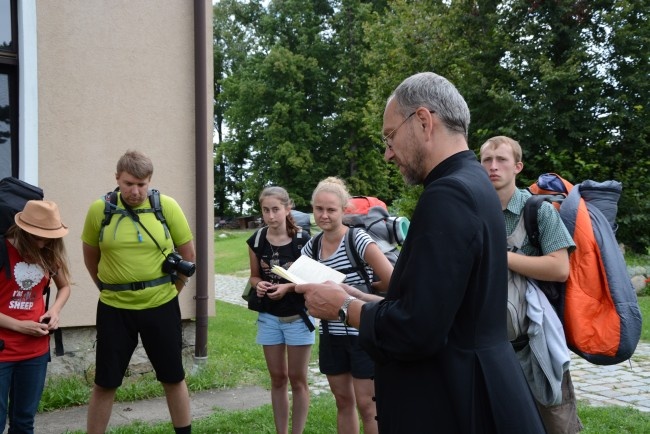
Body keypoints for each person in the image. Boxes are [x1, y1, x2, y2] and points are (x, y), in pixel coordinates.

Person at [295, 72, 546, 433]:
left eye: (390, 136)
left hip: (459, 401)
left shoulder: (448, 194)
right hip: (479, 386)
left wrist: (342, 307)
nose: (387, 153)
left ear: (424, 121)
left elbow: (419, 330)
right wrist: (364, 299)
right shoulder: (474, 181)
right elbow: (445, 307)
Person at [81, 150, 195, 434]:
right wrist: (108, 289)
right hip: (114, 308)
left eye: (142, 184)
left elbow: (188, 255)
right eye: (129, 183)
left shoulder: (166, 207)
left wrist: (172, 292)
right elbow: (90, 257)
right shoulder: (100, 210)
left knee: (173, 377)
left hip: (161, 306)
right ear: (117, 178)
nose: (135, 191)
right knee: (106, 382)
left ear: (150, 181)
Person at [480, 135, 582, 433]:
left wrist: (500, 257)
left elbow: (559, 268)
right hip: (490, 344)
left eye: (501, 160)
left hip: (535, 342)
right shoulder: (475, 212)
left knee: (556, 422)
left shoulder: (539, 210)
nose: (493, 167)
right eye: (487, 160)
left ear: (518, 167)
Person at [300, 176, 393, 434]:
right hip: (330, 334)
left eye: (331, 210)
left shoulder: (358, 239)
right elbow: (303, 282)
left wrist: (367, 293)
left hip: (362, 332)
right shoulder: (312, 246)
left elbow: (394, 281)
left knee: (368, 406)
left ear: (343, 210)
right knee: (343, 403)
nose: (324, 215)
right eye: (319, 209)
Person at [246, 186, 314, 434]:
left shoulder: (304, 240)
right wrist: (259, 284)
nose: (271, 216)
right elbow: (254, 276)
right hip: (269, 318)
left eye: (276, 209)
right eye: (266, 210)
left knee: (297, 379)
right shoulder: (256, 240)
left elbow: (311, 282)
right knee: (277, 378)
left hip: (298, 317)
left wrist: (288, 289)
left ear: (288, 208)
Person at [0, 200, 71, 433]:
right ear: (22, 230)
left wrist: (54, 311)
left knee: (24, 421)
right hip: (3, 351)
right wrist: (20, 326)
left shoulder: (49, 253)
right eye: (37, 237)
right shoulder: (2, 251)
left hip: (35, 352)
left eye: (48, 238)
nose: (42, 243)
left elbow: (64, 287)